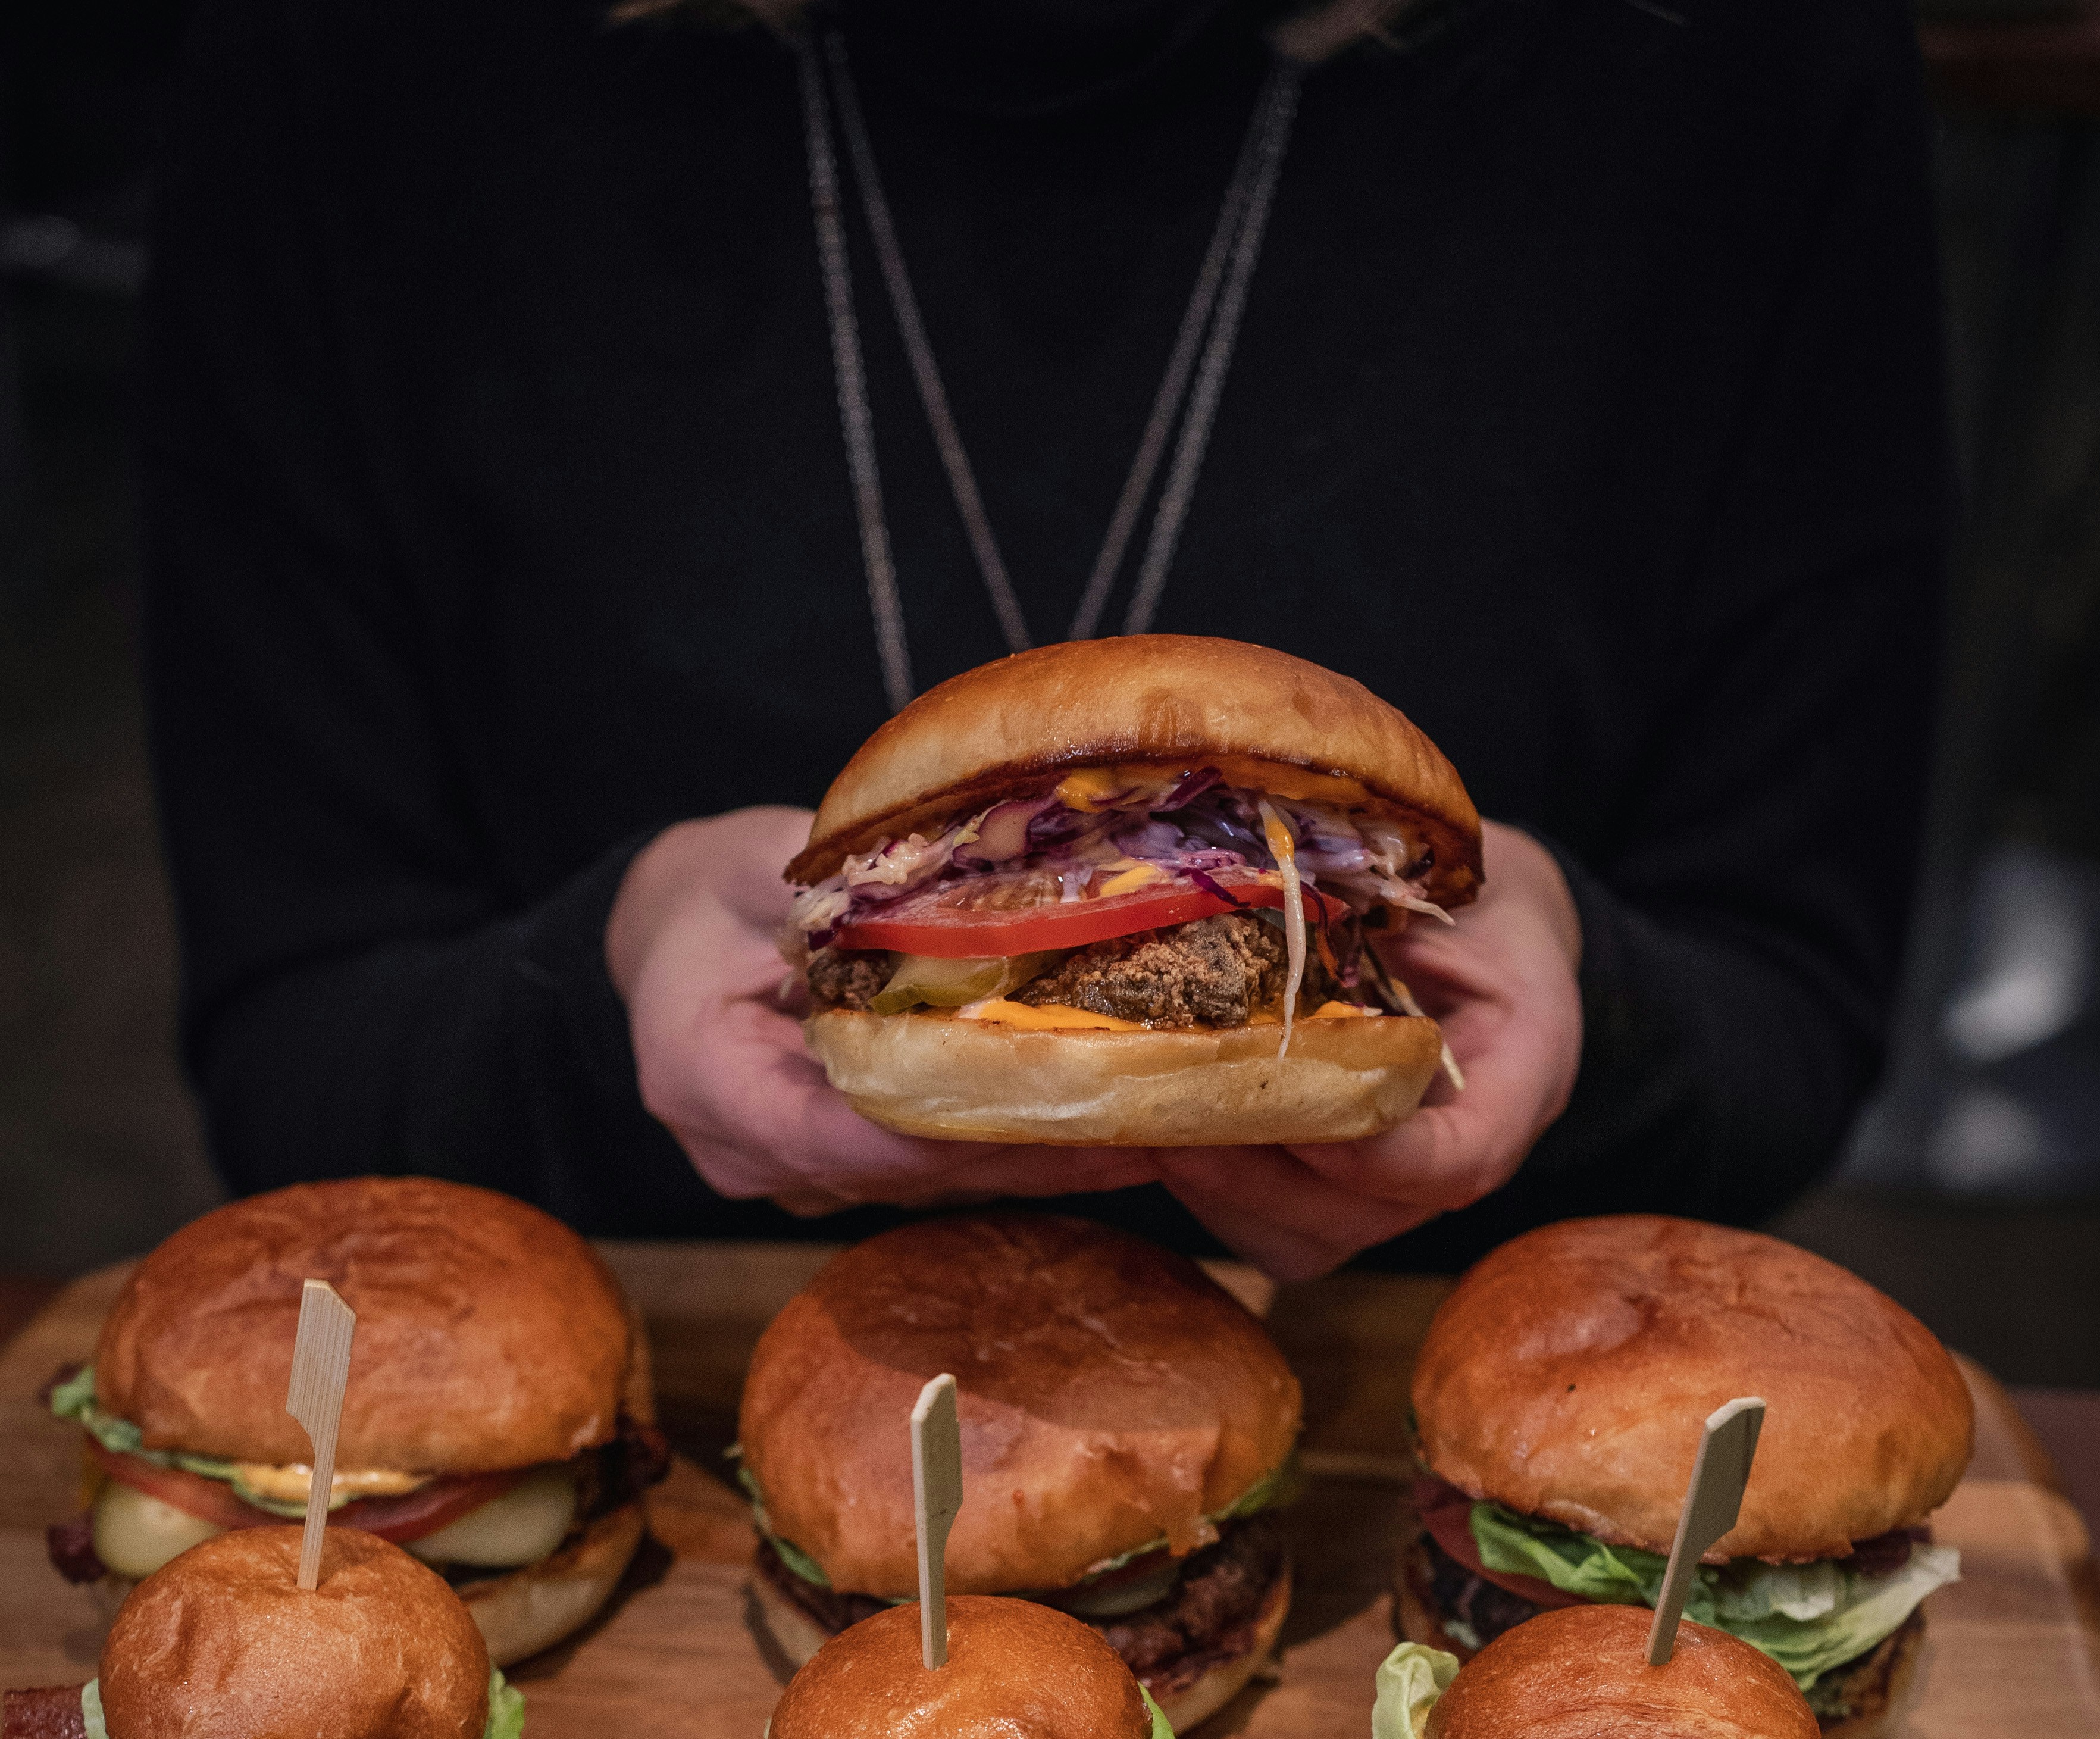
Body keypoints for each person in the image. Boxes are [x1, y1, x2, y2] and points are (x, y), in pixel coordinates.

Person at [140, 0, 1947, 1281]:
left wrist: (1587, 996)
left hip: (1397, 1427)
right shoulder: (362, 62)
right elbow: (297, 1061)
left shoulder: (1726, 60)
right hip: (676, 1410)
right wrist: (593, 987)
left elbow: (1787, 1017)